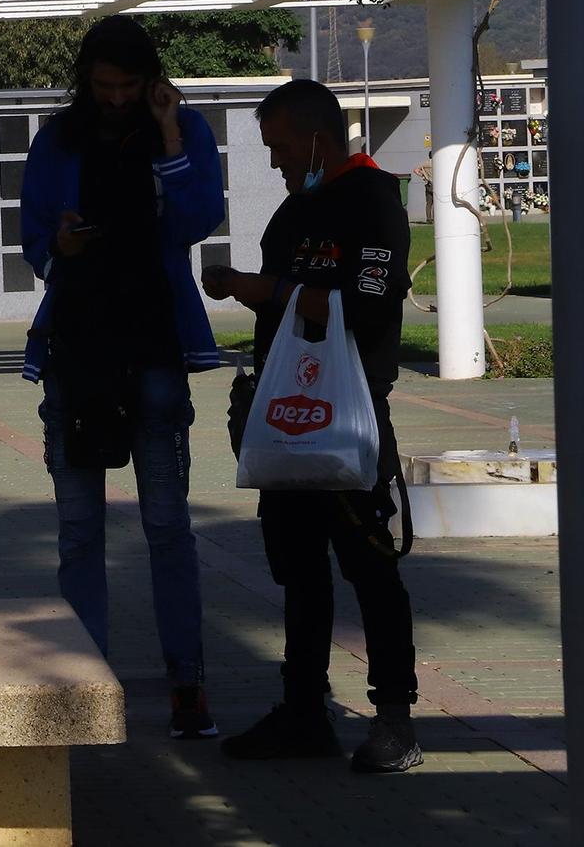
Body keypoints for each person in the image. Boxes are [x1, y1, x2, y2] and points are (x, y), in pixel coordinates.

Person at [203, 77, 421, 774]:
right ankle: (302, 712)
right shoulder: (293, 213)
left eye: (280, 147)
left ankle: (395, 720)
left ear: (317, 139)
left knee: (370, 567)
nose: (275, 162)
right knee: (298, 571)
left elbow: (368, 306)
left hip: (350, 416)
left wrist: (268, 289)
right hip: (288, 420)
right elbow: (286, 310)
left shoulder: (374, 200)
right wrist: (247, 291)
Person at [20, 15, 226, 740]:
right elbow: (32, 239)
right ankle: (85, 687)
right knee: (79, 530)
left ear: (151, 81)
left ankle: (187, 684)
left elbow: (197, 219)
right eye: (103, 86)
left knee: (167, 525)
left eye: (128, 86)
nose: (114, 99)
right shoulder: (57, 139)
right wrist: (61, 246)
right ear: (86, 80)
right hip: (77, 349)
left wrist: (167, 136)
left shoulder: (184, 129)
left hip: (155, 345)